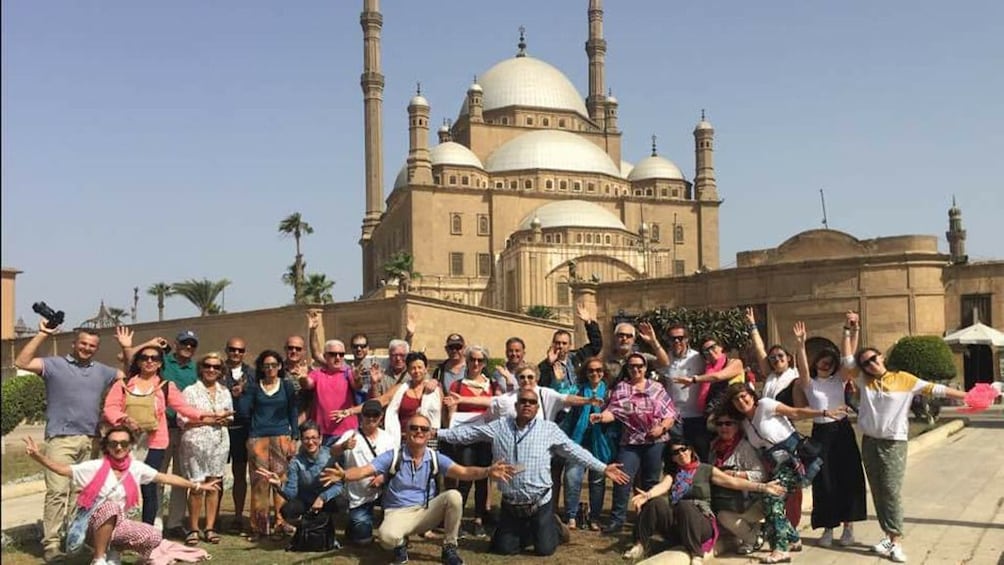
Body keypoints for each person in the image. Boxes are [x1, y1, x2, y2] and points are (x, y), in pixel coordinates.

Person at [436, 389, 631, 557]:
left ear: (537, 408)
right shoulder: (499, 427)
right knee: (505, 550)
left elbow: (574, 451)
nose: (527, 405)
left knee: (544, 550)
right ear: (516, 405)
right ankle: (525, 530)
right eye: (523, 401)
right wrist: (436, 433)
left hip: (540, 503)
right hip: (511, 504)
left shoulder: (549, 430)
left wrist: (603, 467)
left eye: (532, 402)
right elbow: (466, 434)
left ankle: (553, 526)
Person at [321, 415, 514, 565]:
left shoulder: (435, 457)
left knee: (454, 496)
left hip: (425, 512)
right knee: (386, 538)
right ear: (406, 432)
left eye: (424, 429)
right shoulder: (393, 456)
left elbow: (463, 471)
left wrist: (488, 471)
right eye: (414, 428)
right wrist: (345, 475)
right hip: (397, 512)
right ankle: (400, 545)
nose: (419, 431)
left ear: (430, 434)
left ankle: (449, 547)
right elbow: (364, 471)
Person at [23, 426, 219, 565]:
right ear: (106, 446)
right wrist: (38, 456)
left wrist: (198, 485)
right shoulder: (96, 466)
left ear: (130, 446)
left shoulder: (135, 468)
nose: (118, 447)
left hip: (119, 523)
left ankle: (114, 551)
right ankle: (99, 558)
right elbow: (63, 470)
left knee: (152, 535)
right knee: (111, 507)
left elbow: (165, 478)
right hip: (91, 526)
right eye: (114, 443)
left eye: (124, 443)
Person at [13, 319, 122, 562]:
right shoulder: (55, 365)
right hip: (60, 438)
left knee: (82, 494)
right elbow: (21, 362)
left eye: (92, 345)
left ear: (96, 348)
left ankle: (74, 540)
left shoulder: (101, 371)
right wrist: (42, 333)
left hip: (91, 439)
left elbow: (130, 374)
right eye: (83, 343)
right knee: (57, 492)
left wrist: (128, 348)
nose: (87, 348)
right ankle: (51, 545)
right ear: (74, 344)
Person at [853, 346, 969, 563]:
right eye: (865, 363)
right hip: (870, 442)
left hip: (894, 443)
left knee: (891, 489)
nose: (870, 364)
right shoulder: (864, 381)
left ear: (882, 357)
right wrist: (850, 330)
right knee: (878, 490)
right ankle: (888, 535)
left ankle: (895, 541)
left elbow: (937, 390)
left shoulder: (904, 379)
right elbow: (846, 359)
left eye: (872, 359)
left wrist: (968, 396)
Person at [724, 383, 847, 564]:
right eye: (736, 399)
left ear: (751, 395)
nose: (742, 401)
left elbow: (795, 412)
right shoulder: (745, 423)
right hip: (775, 466)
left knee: (772, 498)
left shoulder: (765, 405)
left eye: (744, 396)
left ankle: (780, 549)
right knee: (769, 498)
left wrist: (823, 413)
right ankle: (793, 539)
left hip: (794, 460)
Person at [103, 340, 215, 527]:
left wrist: (209, 415)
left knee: (149, 487)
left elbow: (184, 408)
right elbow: (110, 407)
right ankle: (117, 530)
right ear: (138, 362)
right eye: (145, 358)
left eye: (154, 358)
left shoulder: (165, 386)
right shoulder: (123, 384)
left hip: (154, 444)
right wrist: (124, 419)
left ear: (160, 363)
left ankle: (146, 533)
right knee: (120, 487)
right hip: (124, 444)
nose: (149, 361)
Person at [622, 437, 785, 565]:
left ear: (691, 450)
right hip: (677, 524)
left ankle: (696, 554)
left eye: (683, 449)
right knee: (655, 503)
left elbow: (733, 482)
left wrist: (763, 487)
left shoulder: (706, 470)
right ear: (671, 458)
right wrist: (648, 495)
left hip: (701, 523)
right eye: (675, 453)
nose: (681, 454)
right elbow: (663, 486)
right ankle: (639, 545)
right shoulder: (674, 474)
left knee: (686, 505)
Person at [793, 315, 867, 548]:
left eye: (829, 362)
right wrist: (800, 344)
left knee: (848, 477)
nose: (825, 365)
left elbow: (850, 359)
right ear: (816, 363)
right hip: (821, 433)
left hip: (842, 431)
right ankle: (827, 528)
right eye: (822, 361)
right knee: (824, 481)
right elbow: (802, 368)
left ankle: (848, 528)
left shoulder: (840, 380)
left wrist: (852, 330)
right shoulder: (810, 384)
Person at [591, 352, 677, 534]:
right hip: (630, 441)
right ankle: (617, 520)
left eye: (640, 366)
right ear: (627, 368)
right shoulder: (621, 388)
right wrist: (601, 417)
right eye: (632, 366)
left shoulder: (657, 387)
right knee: (622, 479)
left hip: (656, 441)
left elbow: (670, 415)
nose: (636, 369)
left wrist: (661, 428)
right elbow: (612, 412)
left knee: (651, 482)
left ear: (646, 368)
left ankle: (648, 520)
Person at [238, 349, 300, 540]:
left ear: (279, 366)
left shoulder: (287, 386)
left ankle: (282, 523)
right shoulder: (254, 387)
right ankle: (259, 527)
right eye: (266, 366)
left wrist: (294, 437)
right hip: (258, 438)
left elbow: (293, 411)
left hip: (282, 437)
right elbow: (244, 412)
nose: (270, 369)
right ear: (262, 368)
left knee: (281, 481)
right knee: (259, 483)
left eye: (274, 365)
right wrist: (242, 393)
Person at [443, 345, 500, 538]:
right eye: (472, 359)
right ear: (466, 361)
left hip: (486, 439)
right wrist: (451, 434)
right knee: (466, 477)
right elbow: (451, 413)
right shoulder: (457, 386)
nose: (476, 363)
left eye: (480, 360)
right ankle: (456, 521)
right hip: (465, 439)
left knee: (484, 478)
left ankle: (478, 519)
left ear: (485, 363)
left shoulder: (492, 386)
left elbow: (500, 408)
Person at [179, 352, 235, 545]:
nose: (212, 370)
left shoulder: (224, 392)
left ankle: (210, 527)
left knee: (214, 484)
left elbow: (230, 416)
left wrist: (222, 418)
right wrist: (211, 418)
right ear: (201, 368)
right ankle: (193, 528)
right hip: (195, 443)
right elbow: (182, 420)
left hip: (219, 443)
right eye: (208, 366)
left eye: (216, 367)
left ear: (221, 371)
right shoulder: (190, 391)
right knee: (196, 486)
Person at [561, 357, 616, 531]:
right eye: (591, 370)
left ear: (604, 372)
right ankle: (571, 515)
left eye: (599, 370)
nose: (595, 373)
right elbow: (562, 397)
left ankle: (594, 517)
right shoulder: (577, 390)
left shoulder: (609, 393)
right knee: (572, 478)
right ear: (585, 373)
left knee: (597, 481)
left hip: (600, 443)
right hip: (578, 442)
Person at [256, 421, 344, 532]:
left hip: (326, 500)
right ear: (302, 440)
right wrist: (279, 485)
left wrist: (323, 497)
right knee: (287, 510)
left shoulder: (331, 457)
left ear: (320, 439)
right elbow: (292, 494)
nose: (310, 442)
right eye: (306, 439)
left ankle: (331, 525)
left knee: (342, 503)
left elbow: (339, 486)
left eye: (314, 438)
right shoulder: (295, 462)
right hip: (306, 502)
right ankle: (306, 526)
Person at [331, 400, 396, 544]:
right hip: (358, 495)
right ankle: (356, 524)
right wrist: (344, 446)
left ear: (381, 417)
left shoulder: (388, 439)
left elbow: (394, 467)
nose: (371, 418)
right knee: (362, 539)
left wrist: (383, 477)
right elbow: (332, 451)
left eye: (375, 415)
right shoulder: (350, 434)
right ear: (361, 416)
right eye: (367, 414)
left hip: (381, 491)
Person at [708, 410, 767, 556]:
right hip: (725, 499)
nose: (724, 427)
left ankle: (753, 539)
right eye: (720, 424)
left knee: (723, 517)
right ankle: (756, 531)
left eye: (729, 423)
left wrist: (735, 474)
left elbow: (761, 474)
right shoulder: (714, 446)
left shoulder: (744, 447)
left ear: (737, 426)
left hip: (750, 501)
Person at [658, 323, 710, 463]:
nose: (676, 341)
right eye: (672, 338)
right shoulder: (665, 359)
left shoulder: (698, 358)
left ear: (687, 339)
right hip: (674, 419)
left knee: (701, 457)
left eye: (680, 338)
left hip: (697, 417)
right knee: (676, 460)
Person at [221, 336, 255, 533]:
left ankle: (238, 516)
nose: (236, 353)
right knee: (215, 476)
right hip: (222, 429)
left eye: (240, 350)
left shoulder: (251, 374)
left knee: (241, 474)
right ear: (227, 350)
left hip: (245, 429)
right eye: (233, 349)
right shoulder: (216, 370)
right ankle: (212, 519)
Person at [299, 339, 360, 446]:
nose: (337, 357)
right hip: (323, 434)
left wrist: (358, 379)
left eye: (341, 354)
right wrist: (303, 378)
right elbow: (307, 384)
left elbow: (357, 385)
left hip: (347, 433)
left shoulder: (348, 372)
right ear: (325, 356)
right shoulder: (317, 373)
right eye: (333, 354)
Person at [604, 321, 669, 385]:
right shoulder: (606, 362)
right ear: (615, 337)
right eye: (621, 335)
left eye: (629, 336)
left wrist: (653, 342)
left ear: (634, 339)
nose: (624, 339)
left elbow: (664, 363)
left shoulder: (641, 358)